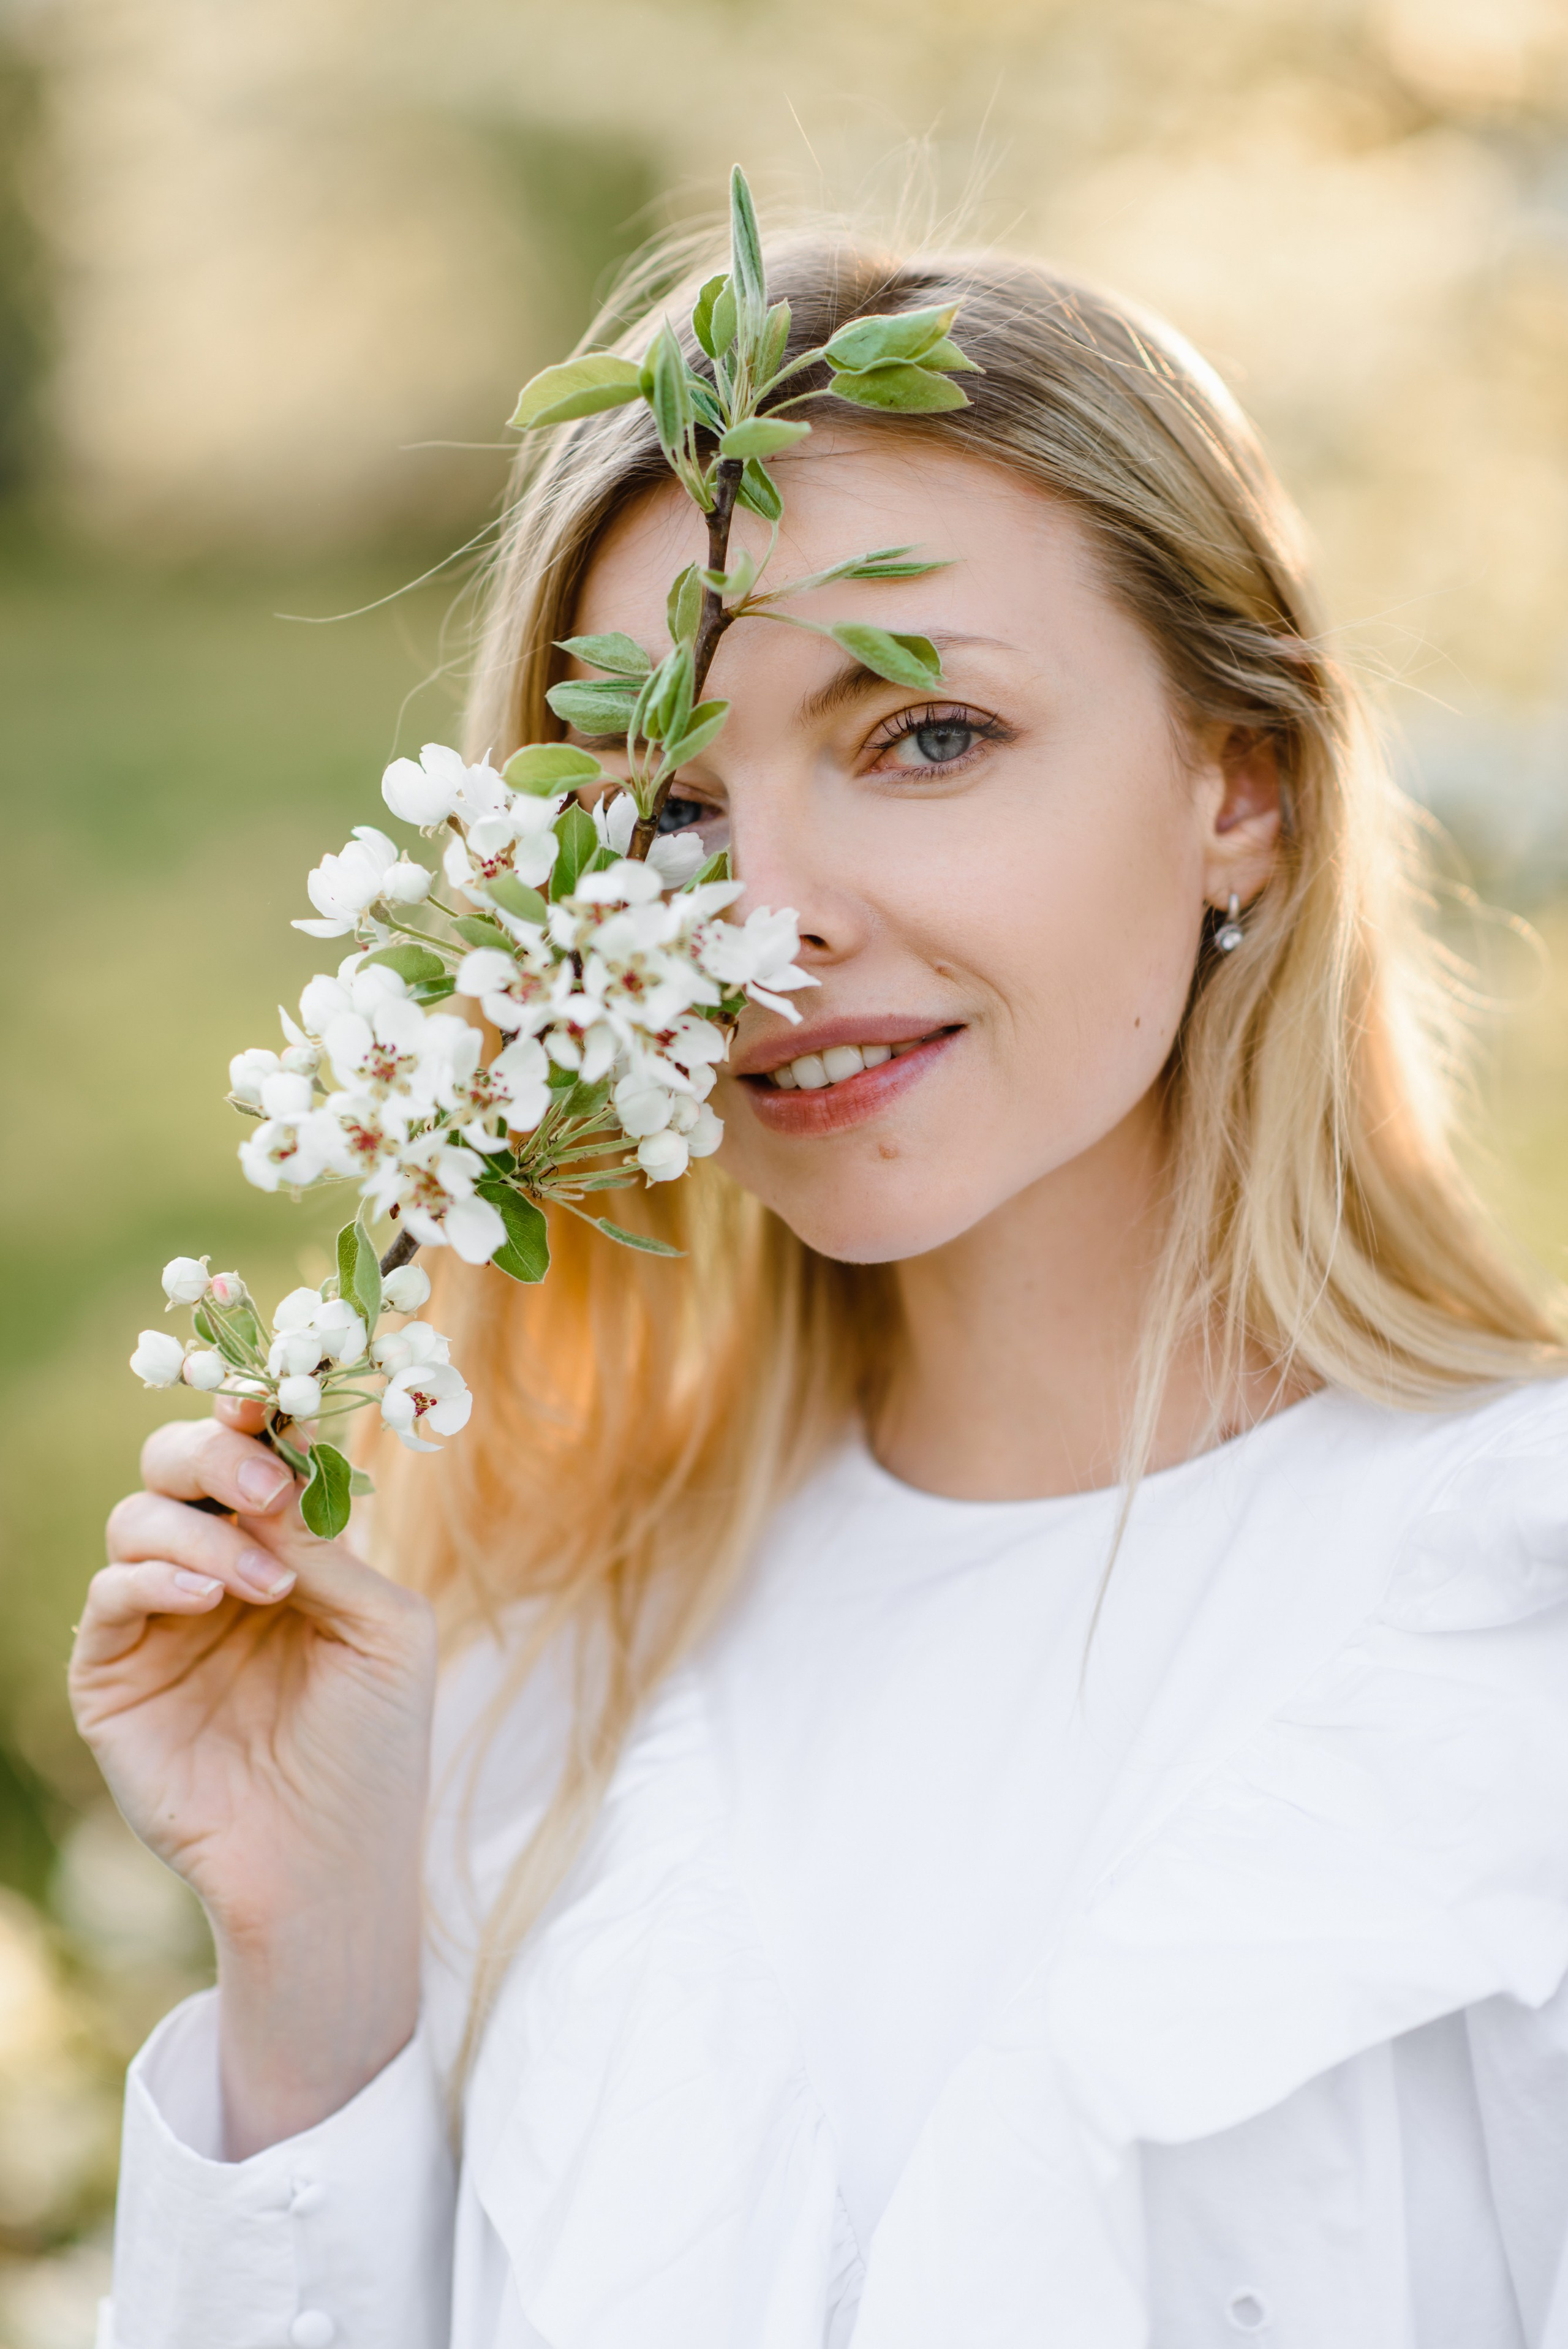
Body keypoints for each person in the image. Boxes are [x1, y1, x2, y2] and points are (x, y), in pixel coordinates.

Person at [72, 227, 1568, 2349]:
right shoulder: (522, 1681)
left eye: (928, 737)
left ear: (1241, 783)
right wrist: (311, 1984)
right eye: (671, 817)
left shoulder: (1517, 1621)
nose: (766, 922)